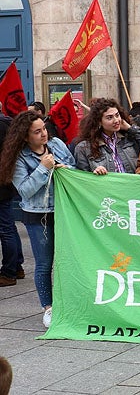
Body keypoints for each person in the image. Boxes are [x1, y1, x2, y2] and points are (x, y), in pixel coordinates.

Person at [0, 111, 76, 327]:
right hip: (38, 215)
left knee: (67, 260)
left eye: (43, 128)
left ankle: (68, 302)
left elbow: (75, 168)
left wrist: (65, 170)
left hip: (65, 211)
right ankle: (48, 307)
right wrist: (43, 168)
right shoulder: (19, 157)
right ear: (25, 136)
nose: (43, 134)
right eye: (37, 131)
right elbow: (25, 190)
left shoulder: (57, 144)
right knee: (44, 263)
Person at [73, 98, 140, 174]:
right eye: (109, 117)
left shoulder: (129, 138)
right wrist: (95, 173)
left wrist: (130, 128)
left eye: (117, 115)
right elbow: (82, 178)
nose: (116, 120)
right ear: (99, 122)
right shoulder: (84, 147)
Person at [0, 112, 22, 288]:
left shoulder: (2, 124)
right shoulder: (8, 123)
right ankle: (17, 266)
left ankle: (9, 272)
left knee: (6, 229)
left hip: (2, 182)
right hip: (6, 180)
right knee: (9, 227)